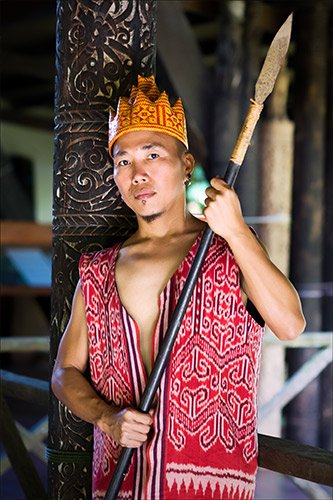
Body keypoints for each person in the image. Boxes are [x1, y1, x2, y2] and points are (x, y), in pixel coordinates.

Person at [52, 75, 305, 500]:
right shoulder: (97, 271)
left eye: (153, 154)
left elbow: (290, 324)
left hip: (210, 488)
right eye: (124, 161)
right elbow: (64, 373)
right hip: (119, 484)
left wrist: (238, 231)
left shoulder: (228, 251)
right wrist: (106, 417)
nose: (138, 173)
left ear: (186, 166)